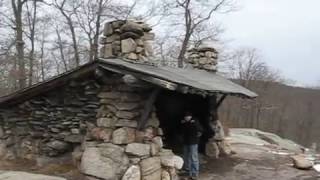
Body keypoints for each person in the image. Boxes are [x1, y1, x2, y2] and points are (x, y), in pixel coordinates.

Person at [181, 111, 202, 179]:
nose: (186, 118)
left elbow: (200, 130)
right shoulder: (184, 123)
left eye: (188, 116)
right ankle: (189, 173)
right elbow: (180, 130)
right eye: (185, 117)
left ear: (190, 116)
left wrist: (193, 123)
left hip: (193, 143)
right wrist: (183, 123)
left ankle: (195, 173)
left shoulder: (195, 122)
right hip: (186, 143)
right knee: (187, 158)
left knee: (194, 157)